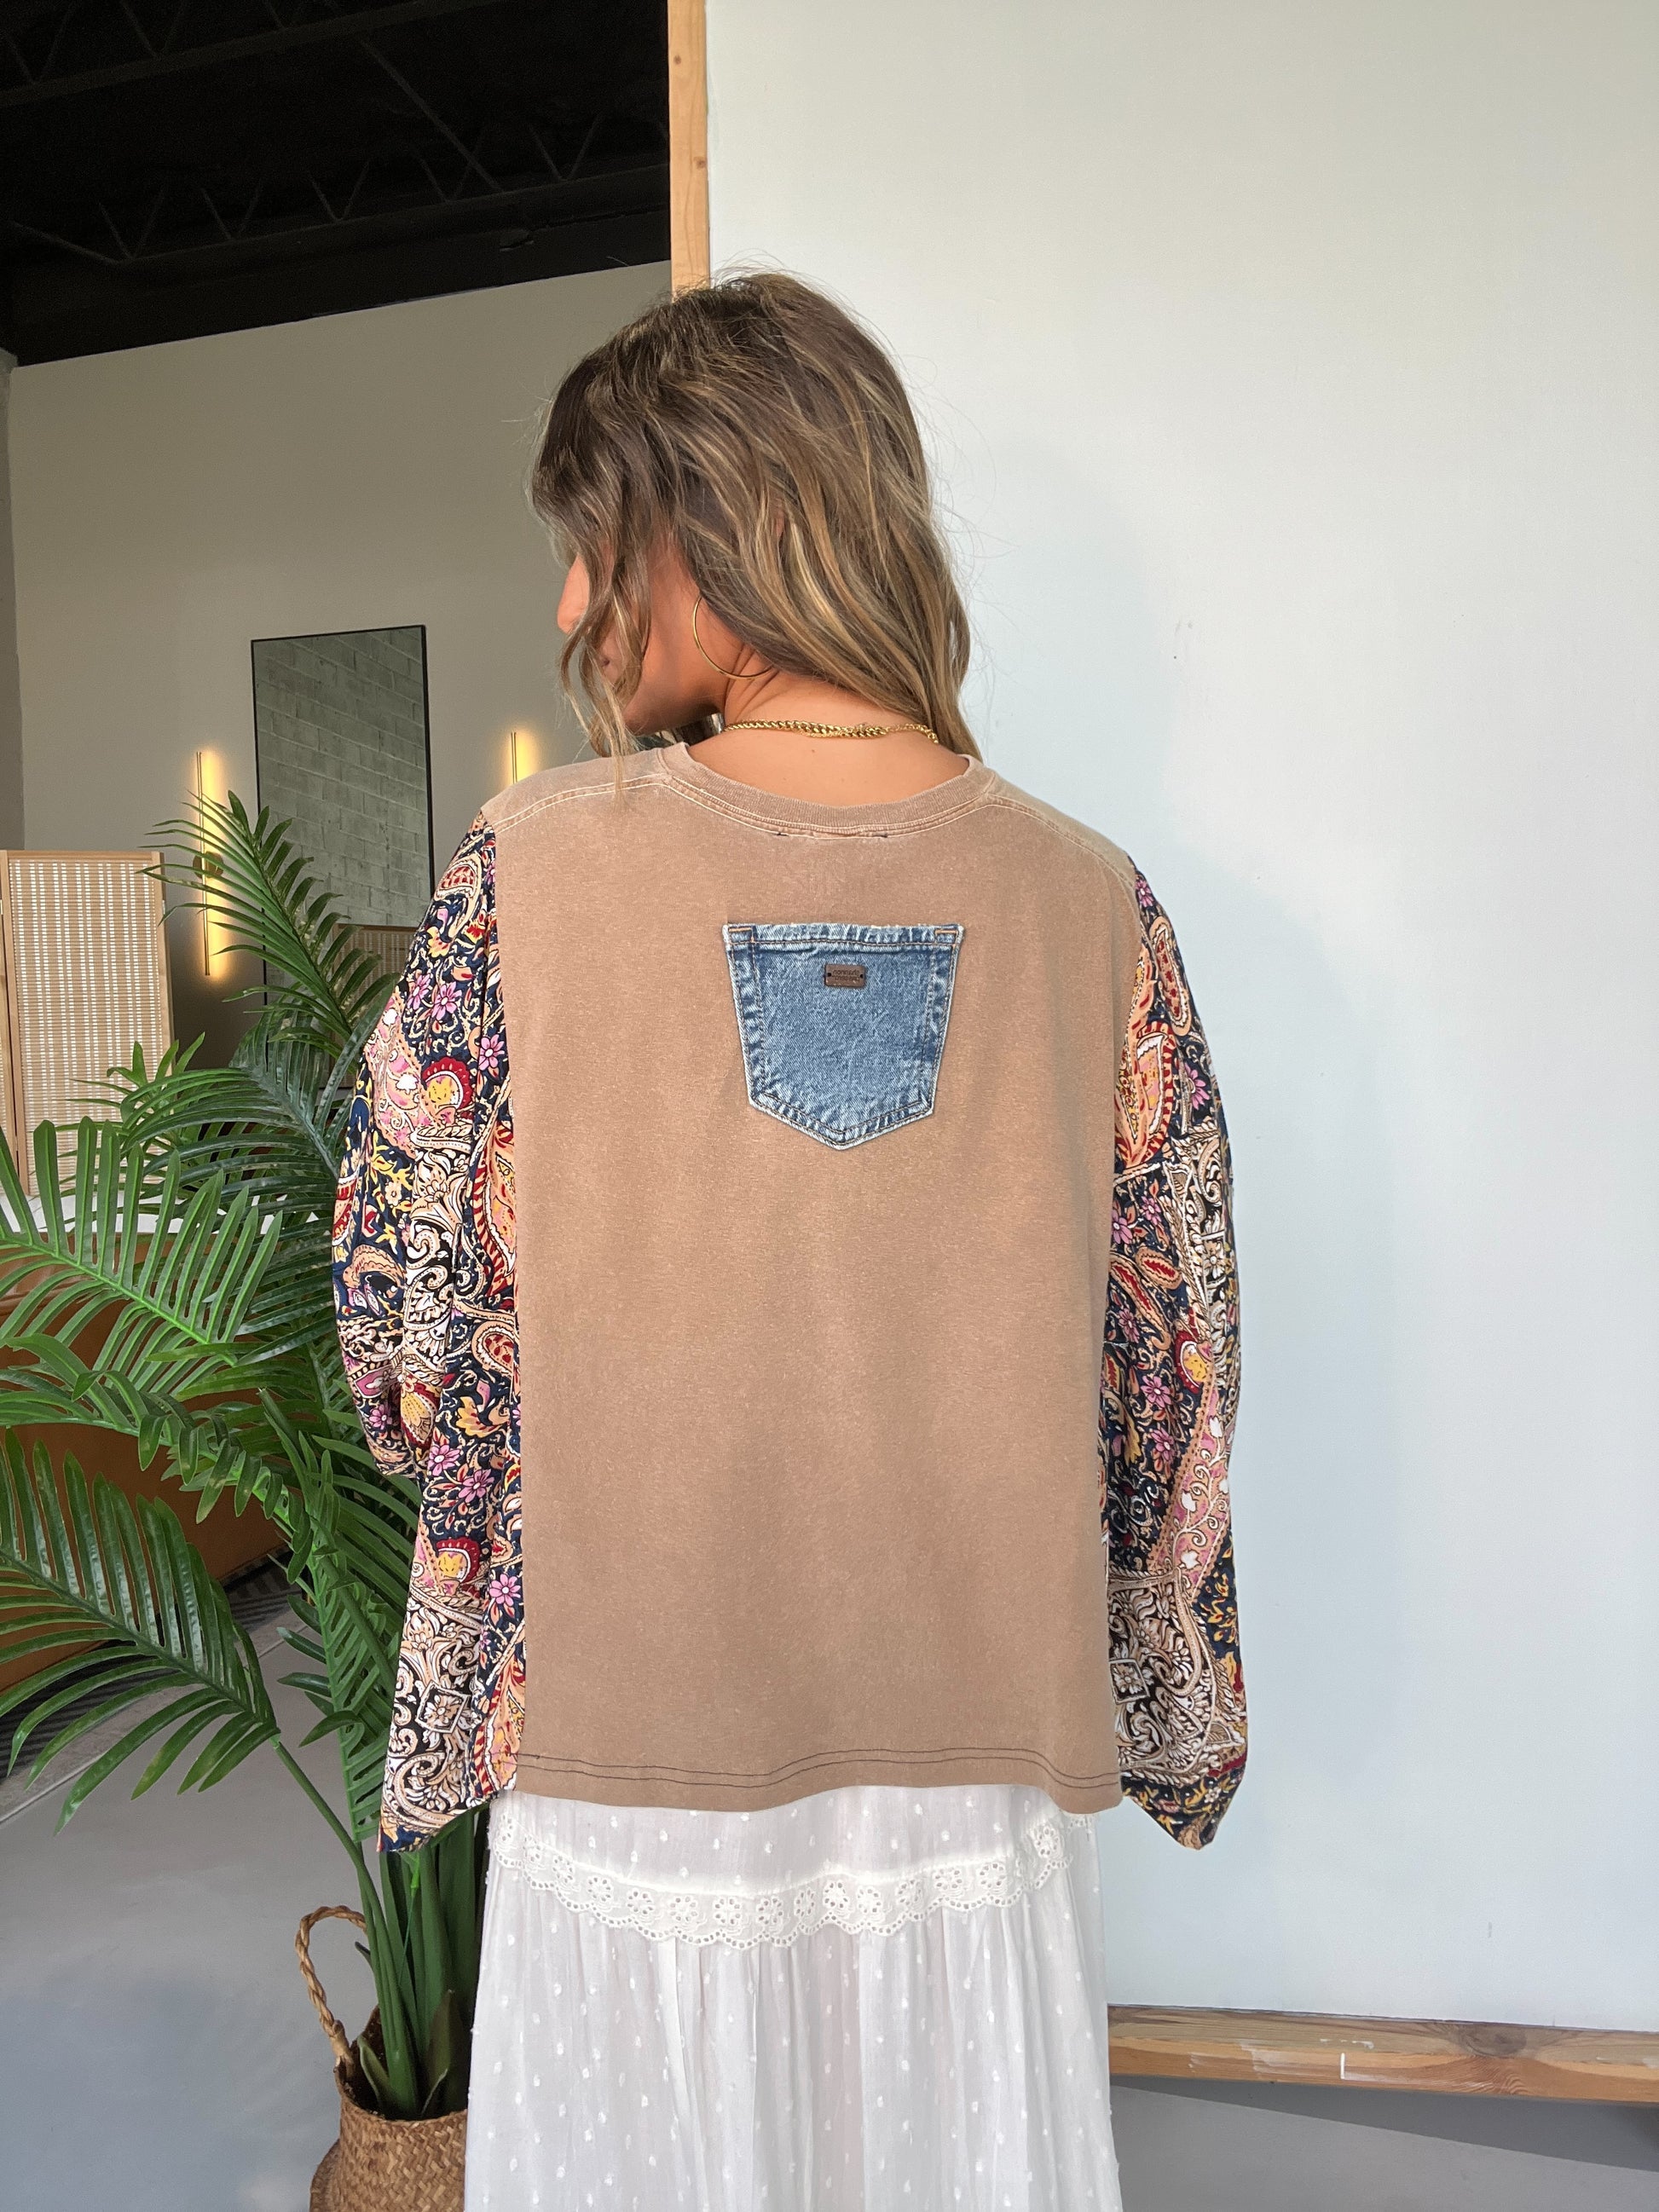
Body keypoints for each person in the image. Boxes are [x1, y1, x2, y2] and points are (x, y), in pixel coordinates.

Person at [332, 270, 1246, 2211]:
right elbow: (1173, 1378)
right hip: (977, 1765)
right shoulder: (1095, 905)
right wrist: (1157, 1691)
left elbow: (407, 1341)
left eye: (593, 545)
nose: (569, 606)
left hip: (636, 1752)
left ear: (707, 523)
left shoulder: (526, 876)